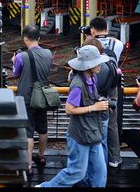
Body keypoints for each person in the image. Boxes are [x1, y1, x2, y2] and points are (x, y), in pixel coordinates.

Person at [37, 45, 109, 188]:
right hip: (80, 134)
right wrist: (94, 107)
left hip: (92, 131)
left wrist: (99, 103)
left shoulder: (92, 78)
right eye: (97, 62)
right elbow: (69, 110)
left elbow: (88, 100)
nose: (100, 65)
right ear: (89, 66)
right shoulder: (77, 85)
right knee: (77, 172)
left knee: (100, 172)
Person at [11, 24, 53, 179]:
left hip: (27, 97)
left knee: (28, 132)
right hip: (42, 95)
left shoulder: (22, 56)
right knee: (42, 128)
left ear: (25, 38)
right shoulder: (48, 53)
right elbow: (47, 70)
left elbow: (16, 74)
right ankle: (41, 156)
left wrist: (15, 60)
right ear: (39, 38)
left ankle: (28, 165)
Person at [88, 16, 124, 168]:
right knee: (112, 122)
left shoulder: (89, 44)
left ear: (92, 30)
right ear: (107, 29)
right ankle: (114, 158)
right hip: (112, 86)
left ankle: (95, 157)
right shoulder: (117, 43)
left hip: (93, 85)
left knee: (91, 119)